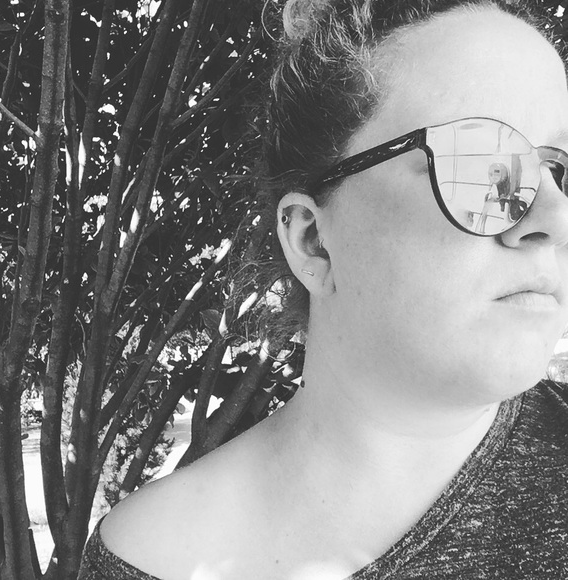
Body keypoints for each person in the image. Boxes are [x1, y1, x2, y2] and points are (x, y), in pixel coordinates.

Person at [78, 0, 568, 578]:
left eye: (559, 172)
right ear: (314, 241)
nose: (555, 217)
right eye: (482, 166)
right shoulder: (155, 558)